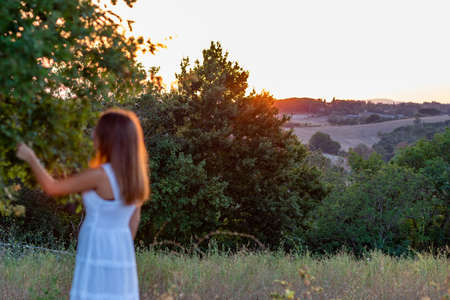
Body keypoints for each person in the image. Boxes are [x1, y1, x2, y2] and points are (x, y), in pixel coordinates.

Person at [16, 108, 149, 300]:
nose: (93, 134)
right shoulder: (136, 180)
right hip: (121, 251)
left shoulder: (100, 176)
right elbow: (133, 224)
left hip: (96, 247)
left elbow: (52, 187)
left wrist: (31, 157)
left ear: (108, 138)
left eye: (98, 130)